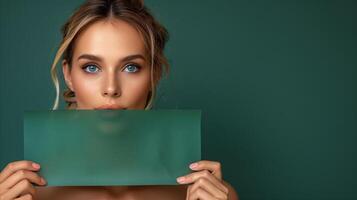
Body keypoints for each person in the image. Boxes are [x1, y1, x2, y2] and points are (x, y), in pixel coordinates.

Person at [0, 0, 239, 199]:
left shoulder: (203, 193)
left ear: (154, 76)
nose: (111, 88)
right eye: (92, 67)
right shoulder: (27, 192)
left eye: (131, 67)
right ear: (68, 75)